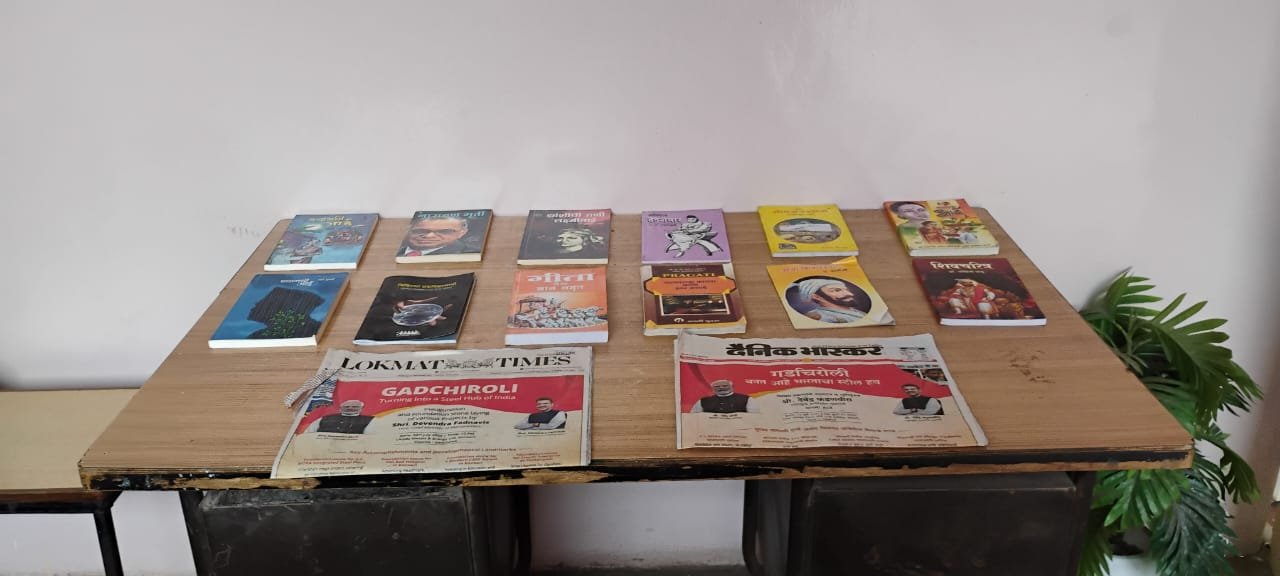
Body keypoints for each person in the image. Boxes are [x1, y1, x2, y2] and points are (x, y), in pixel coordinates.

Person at [794, 278, 868, 323]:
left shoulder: (856, 311)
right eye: (837, 290)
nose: (850, 294)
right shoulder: (818, 316)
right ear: (816, 297)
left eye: (847, 290)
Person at [402, 216, 470, 257]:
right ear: (409, 230)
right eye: (420, 230)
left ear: (462, 233)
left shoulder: (468, 253)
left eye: (444, 231)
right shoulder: (400, 248)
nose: (429, 236)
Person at [304, 399, 375, 434]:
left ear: (361, 409)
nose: (350, 408)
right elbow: (308, 433)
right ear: (340, 409)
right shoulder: (325, 418)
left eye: (355, 406)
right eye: (346, 406)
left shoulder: (371, 420)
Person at [691, 379, 759, 413]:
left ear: (732, 387)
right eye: (717, 386)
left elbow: (755, 415)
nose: (721, 388)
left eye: (725, 385)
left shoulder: (746, 399)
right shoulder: (703, 401)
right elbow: (694, 416)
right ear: (713, 389)